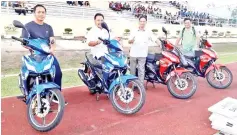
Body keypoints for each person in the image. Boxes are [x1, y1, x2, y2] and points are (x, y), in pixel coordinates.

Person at [21, 4, 66, 104]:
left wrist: (52, 49)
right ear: (34, 13)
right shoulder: (27, 26)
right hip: (35, 54)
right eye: (39, 12)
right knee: (30, 73)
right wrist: (31, 48)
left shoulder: (48, 27)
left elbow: (52, 40)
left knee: (57, 72)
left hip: (47, 54)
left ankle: (55, 94)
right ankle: (28, 93)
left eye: (43, 12)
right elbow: (24, 42)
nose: (41, 14)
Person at [86, 13, 119, 89]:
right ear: (94, 21)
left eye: (101, 20)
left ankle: (111, 84)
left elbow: (112, 38)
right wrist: (97, 42)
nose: (100, 22)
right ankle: (104, 84)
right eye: (98, 20)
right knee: (106, 68)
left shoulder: (106, 30)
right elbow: (89, 43)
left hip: (108, 53)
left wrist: (116, 39)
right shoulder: (92, 31)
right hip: (98, 54)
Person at [128, 15, 154, 85]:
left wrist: (160, 44)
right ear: (139, 22)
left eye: (144, 21)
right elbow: (129, 41)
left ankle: (140, 86)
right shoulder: (134, 31)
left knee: (141, 70)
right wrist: (131, 41)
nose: (142, 23)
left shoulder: (148, 32)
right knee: (132, 71)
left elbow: (154, 38)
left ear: (146, 22)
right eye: (141, 21)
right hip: (133, 54)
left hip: (142, 54)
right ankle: (133, 85)